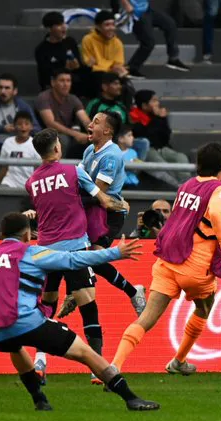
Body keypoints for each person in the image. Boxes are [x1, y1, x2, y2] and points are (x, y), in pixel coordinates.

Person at [0, 212, 160, 412]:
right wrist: (115, 253)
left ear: (1, 236)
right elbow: (73, 260)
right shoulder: (32, 253)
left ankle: (40, 400)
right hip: (22, 321)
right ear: (27, 236)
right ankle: (130, 398)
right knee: (85, 352)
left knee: (16, 348)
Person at [111, 142, 221, 375]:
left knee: (147, 317)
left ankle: (115, 365)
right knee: (204, 308)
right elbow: (217, 214)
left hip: (167, 262)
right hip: (196, 267)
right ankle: (178, 360)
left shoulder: (185, 186)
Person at [23, 127, 132, 385]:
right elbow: (103, 200)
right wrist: (122, 205)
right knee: (88, 306)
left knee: (47, 305)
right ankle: (97, 368)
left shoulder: (32, 182)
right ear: (57, 148)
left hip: (46, 250)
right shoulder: (74, 171)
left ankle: (40, 359)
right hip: (74, 248)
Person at [75, 112, 147, 317]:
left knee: (95, 259)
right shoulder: (90, 149)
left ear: (107, 130)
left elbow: (97, 193)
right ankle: (80, 287)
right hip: (92, 209)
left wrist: (70, 200)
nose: (89, 124)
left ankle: (133, 292)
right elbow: (78, 180)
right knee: (86, 258)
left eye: (95, 122)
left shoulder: (111, 157)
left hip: (109, 213)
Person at [0, 73, 41, 185]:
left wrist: (20, 129)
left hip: (17, 143)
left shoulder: (22, 106)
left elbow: (36, 128)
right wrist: (2, 129)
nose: (3, 91)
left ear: (15, 91)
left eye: (7, 88)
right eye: (0, 87)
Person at [130, 89, 191, 186]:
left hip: (161, 148)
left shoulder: (155, 116)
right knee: (163, 165)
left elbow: (165, 137)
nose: (157, 103)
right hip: (147, 150)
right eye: (154, 101)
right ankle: (178, 187)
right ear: (144, 105)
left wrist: (162, 119)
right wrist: (158, 118)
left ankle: (187, 185)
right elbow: (149, 137)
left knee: (181, 157)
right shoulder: (134, 117)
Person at [117, 0, 190, 79]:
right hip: (135, 13)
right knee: (148, 43)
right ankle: (132, 68)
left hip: (147, 9)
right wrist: (126, 4)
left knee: (170, 25)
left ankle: (173, 59)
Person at [35, 68, 91, 159]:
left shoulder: (73, 98)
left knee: (90, 140)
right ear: (53, 82)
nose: (66, 84)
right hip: (44, 134)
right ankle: (57, 170)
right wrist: (76, 134)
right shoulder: (44, 97)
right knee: (63, 140)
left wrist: (94, 133)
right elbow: (50, 123)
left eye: (68, 81)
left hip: (67, 133)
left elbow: (85, 120)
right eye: (62, 81)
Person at [35, 11, 89, 96]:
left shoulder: (70, 41)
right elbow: (45, 75)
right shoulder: (42, 49)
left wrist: (78, 65)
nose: (64, 27)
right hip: (55, 82)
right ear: (49, 29)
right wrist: (64, 69)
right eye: (59, 25)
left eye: (64, 23)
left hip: (73, 77)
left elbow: (78, 65)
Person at [81, 10, 128, 82]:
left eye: (113, 24)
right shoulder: (88, 40)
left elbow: (118, 64)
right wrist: (110, 68)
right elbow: (89, 64)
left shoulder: (118, 42)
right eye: (107, 25)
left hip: (112, 75)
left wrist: (119, 69)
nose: (111, 28)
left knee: (125, 81)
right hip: (95, 75)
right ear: (98, 27)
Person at [0, 111, 40, 188]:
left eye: (26, 124)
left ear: (31, 126)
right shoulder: (8, 142)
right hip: (9, 182)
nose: (23, 127)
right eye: (20, 124)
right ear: (14, 126)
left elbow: (38, 169)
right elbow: (3, 166)